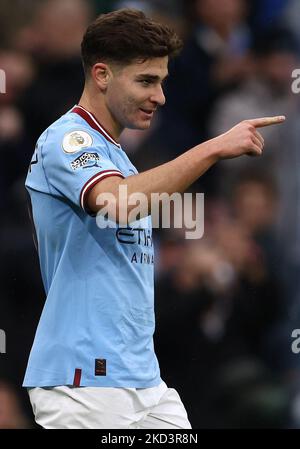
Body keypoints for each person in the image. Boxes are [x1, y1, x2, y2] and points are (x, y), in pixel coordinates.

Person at [23, 8, 285, 429]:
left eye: (162, 82)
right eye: (146, 81)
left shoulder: (122, 160)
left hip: (143, 380)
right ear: (102, 75)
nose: (160, 97)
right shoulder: (67, 139)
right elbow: (116, 203)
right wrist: (213, 148)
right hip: (84, 382)